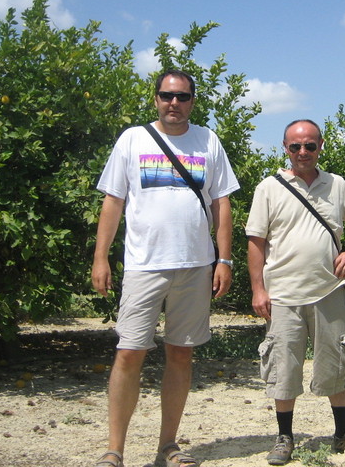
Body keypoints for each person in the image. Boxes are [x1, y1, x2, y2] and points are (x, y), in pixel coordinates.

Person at [91, 69, 239, 467]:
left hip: (195, 265)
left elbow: (221, 203)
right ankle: (114, 449)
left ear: (193, 100)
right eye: (167, 96)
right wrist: (101, 256)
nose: (174, 103)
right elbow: (113, 201)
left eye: (182, 97)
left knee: (181, 355)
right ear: (155, 98)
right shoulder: (132, 139)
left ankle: (168, 447)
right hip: (144, 265)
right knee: (129, 353)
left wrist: (223, 259)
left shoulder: (208, 140)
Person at [245, 119, 345, 465]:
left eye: (310, 146)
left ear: (320, 146)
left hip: (329, 292)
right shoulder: (268, 188)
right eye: (295, 146)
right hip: (283, 294)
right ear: (284, 148)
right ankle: (284, 437)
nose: (303, 153)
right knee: (282, 367)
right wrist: (258, 289)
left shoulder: (336, 185)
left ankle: (343, 433)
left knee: (336, 363)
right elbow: (255, 242)